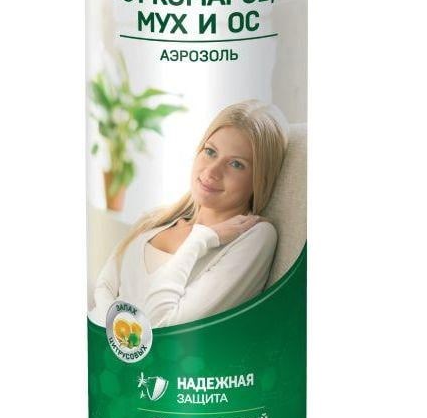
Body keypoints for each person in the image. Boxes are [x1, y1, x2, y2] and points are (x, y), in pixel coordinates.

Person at [90, 100, 288, 328]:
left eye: (236, 164)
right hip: (109, 346)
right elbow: (104, 288)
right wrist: (113, 334)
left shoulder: (256, 236)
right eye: (210, 151)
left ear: (260, 179)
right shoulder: (155, 220)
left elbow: (162, 324)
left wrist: (202, 238)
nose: (211, 171)